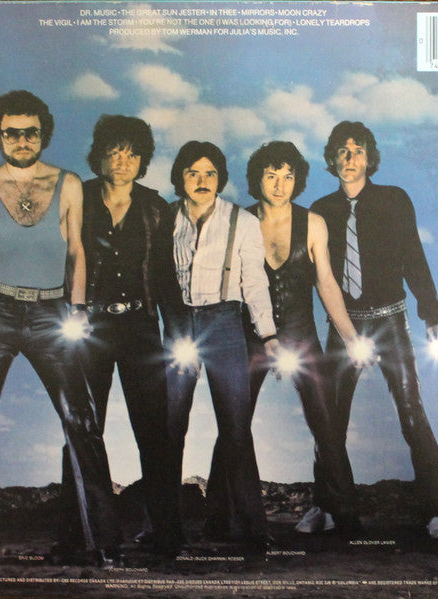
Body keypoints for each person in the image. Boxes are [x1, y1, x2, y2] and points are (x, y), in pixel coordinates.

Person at [0, 90, 122, 567]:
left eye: (31, 132)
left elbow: (76, 251)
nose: (22, 140)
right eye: (12, 133)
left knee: (82, 421)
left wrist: (78, 309)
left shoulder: (68, 184)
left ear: (43, 135)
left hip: (51, 313)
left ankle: (103, 542)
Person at [207, 141, 370, 536]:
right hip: (249, 338)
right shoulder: (238, 221)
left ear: (297, 181)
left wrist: (351, 337)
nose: (280, 185)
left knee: (327, 426)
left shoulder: (313, 223)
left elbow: (327, 283)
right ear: (257, 179)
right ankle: (218, 518)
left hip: (302, 338)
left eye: (288, 176)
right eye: (271, 175)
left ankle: (346, 519)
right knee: (233, 425)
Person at [311, 121, 438, 539]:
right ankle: (326, 507)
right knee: (329, 421)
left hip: (391, 320)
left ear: (369, 158)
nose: (349, 158)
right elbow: (318, 274)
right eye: (342, 151)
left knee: (412, 414)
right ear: (332, 158)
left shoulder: (394, 199)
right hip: (344, 324)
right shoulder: (321, 209)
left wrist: (432, 315)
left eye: (357, 150)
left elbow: (414, 257)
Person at [57, 114, 184, 558]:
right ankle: (76, 535)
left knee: (154, 431)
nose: (124, 161)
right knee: (82, 428)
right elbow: (65, 258)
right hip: (88, 328)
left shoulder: (155, 207)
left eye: (132, 153)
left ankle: (166, 534)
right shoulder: (80, 197)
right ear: (100, 156)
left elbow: (165, 275)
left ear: (143, 159)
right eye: (115, 151)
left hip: (141, 328)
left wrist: (177, 331)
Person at [166, 141, 278, 554]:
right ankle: (163, 526)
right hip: (180, 324)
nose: (202, 181)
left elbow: (255, 281)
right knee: (170, 426)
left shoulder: (241, 220)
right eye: (193, 173)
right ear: (180, 177)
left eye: (210, 173)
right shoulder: (166, 217)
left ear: (220, 179)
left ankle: (253, 529)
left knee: (236, 426)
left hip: (226, 322)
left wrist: (268, 334)